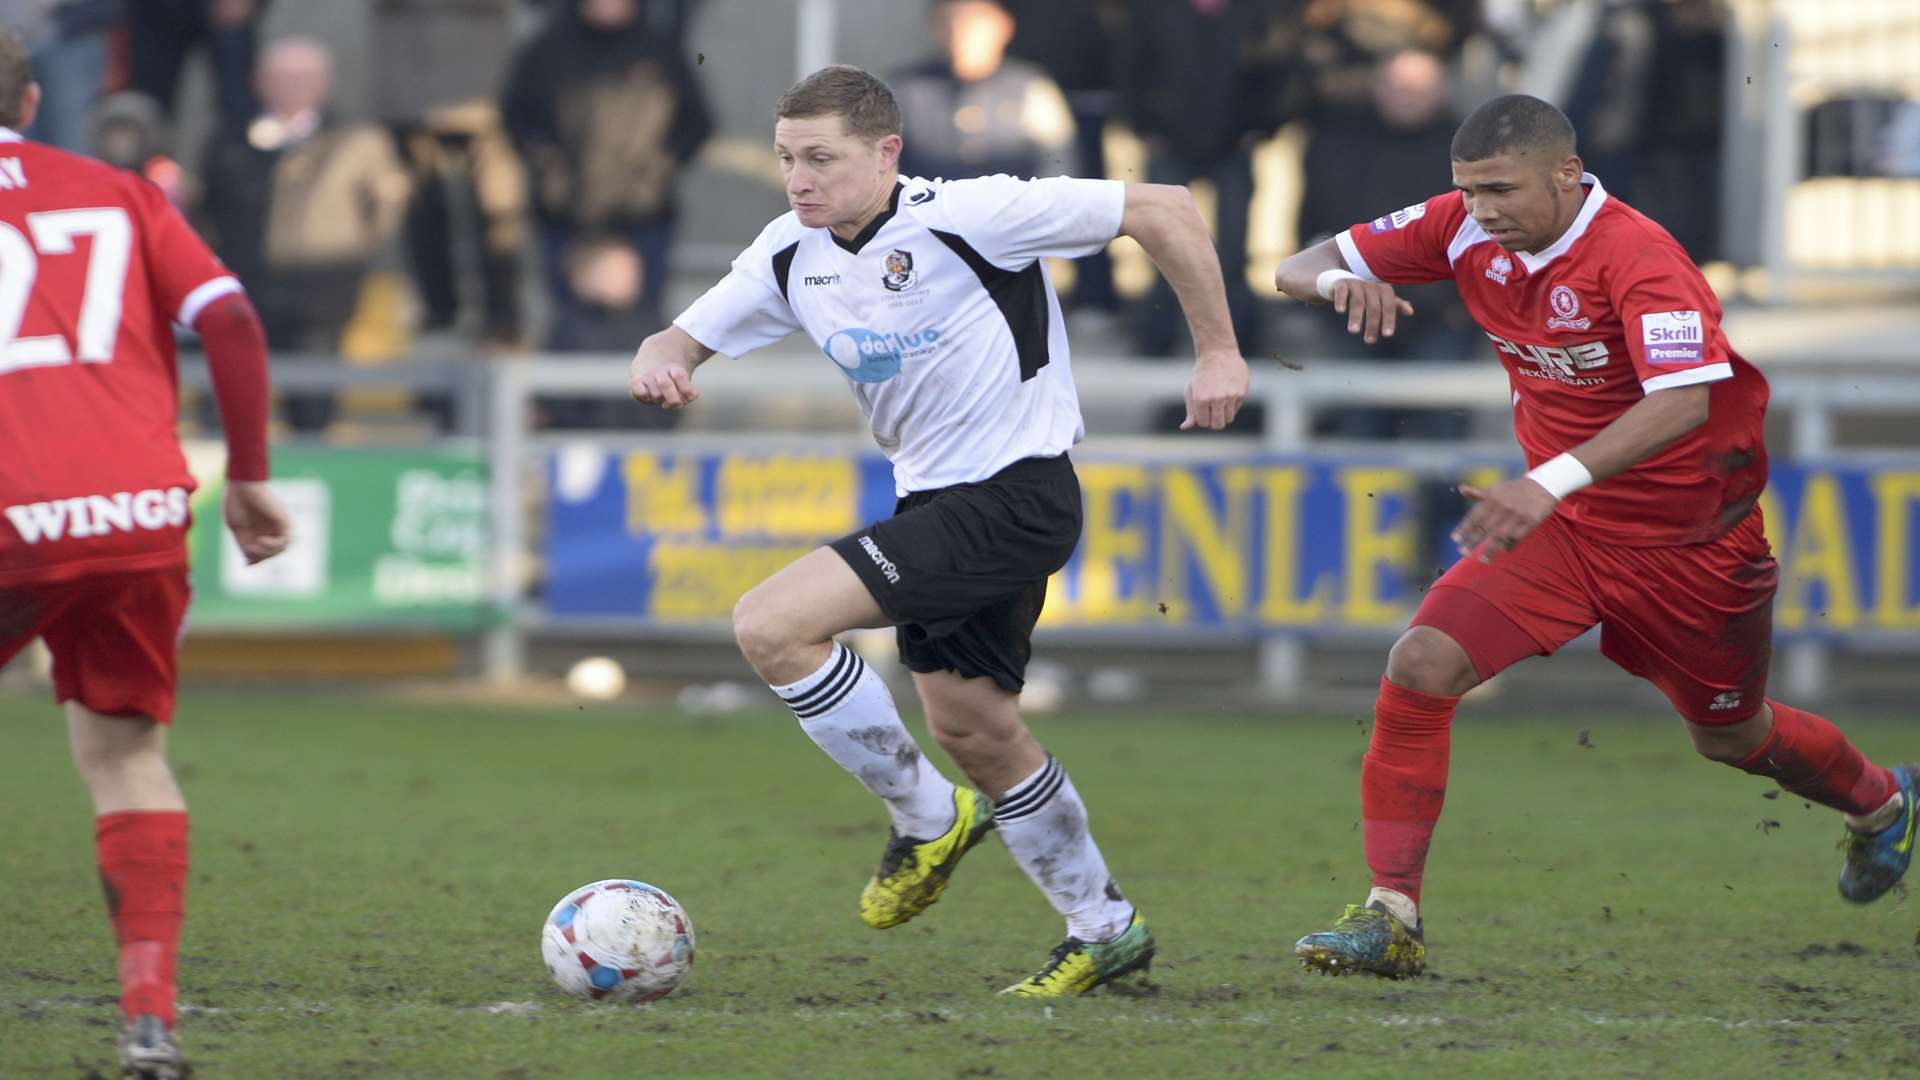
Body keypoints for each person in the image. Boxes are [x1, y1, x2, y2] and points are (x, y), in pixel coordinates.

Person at [628, 64, 1249, 996]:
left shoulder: (975, 213)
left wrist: (1218, 351)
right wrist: (661, 357)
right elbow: (680, 337)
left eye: (822, 158)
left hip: (1016, 495)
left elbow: (1163, 206)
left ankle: (926, 820)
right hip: (936, 504)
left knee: (771, 624)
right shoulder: (789, 249)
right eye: (787, 158)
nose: (799, 178)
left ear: (887, 152)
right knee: (976, 728)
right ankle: (1105, 929)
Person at [1271, 94, 1916, 979]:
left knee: (1732, 737)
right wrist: (1338, 279)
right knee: (1421, 662)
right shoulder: (1458, 226)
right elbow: (1295, 264)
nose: (1481, 209)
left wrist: (1546, 478)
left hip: (1692, 546)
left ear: (1567, 175)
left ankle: (1881, 802)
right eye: (1467, 190)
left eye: (1499, 189)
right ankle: (1391, 916)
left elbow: (1684, 400)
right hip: (1564, 530)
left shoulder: (1642, 258)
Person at [0, 30, 291, 1077]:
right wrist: (248, 473)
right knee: (126, 759)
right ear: (30, 100)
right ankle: (149, 1021)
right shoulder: (119, 191)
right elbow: (232, 319)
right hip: (133, 509)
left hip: (6, 511)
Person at [198, 36, 410, 432]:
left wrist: (347, 249)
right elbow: (206, 207)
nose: (293, 86)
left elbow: (385, 208)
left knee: (314, 402)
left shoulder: (357, 139)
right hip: (244, 289)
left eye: (304, 77)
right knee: (229, 399)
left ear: (324, 82)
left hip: (322, 292)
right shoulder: (228, 137)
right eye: (283, 76)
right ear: (261, 80)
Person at [502, 0, 711, 349]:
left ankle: (649, 403)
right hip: (565, 217)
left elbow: (696, 122)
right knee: (571, 331)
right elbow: (516, 117)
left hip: (643, 218)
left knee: (643, 330)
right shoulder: (547, 50)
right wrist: (549, 169)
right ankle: (567, 403)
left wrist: (656, 171)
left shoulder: (659, 50)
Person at [891, 0, 1077, 183]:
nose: (958, 34)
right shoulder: (906, 87)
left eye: (972, 23)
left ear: (1002, 26)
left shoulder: (1029, 84)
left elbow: (1057, 159)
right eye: (947, 22)